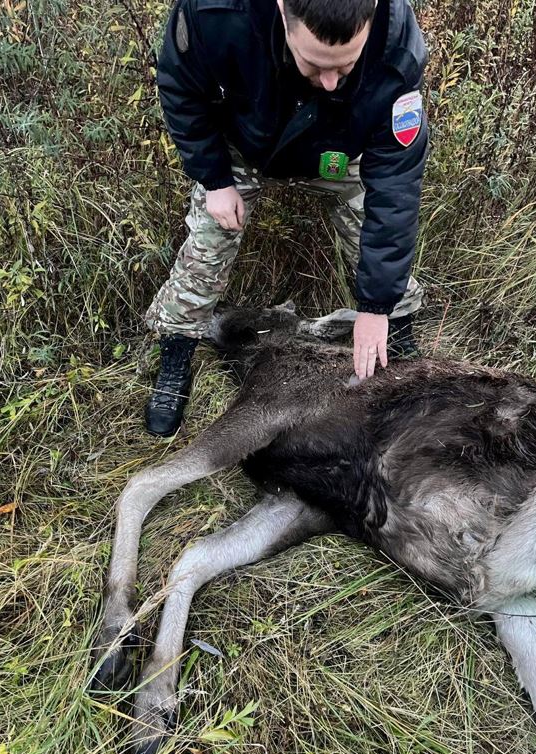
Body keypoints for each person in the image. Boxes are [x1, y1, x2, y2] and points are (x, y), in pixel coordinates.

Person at [145, 0, 428, 436]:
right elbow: (181, 90)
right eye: (315, 64)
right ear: (281, 10)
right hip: (243, 144)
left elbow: (395, 185)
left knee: (372, 227)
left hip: (338, 151)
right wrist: (215, 179)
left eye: (346, 65)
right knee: (208, 242)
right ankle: (179, 342)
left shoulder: (398, 47)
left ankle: (398, 325)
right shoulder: (214, 15)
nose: (332, 83)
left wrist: (376, 307)